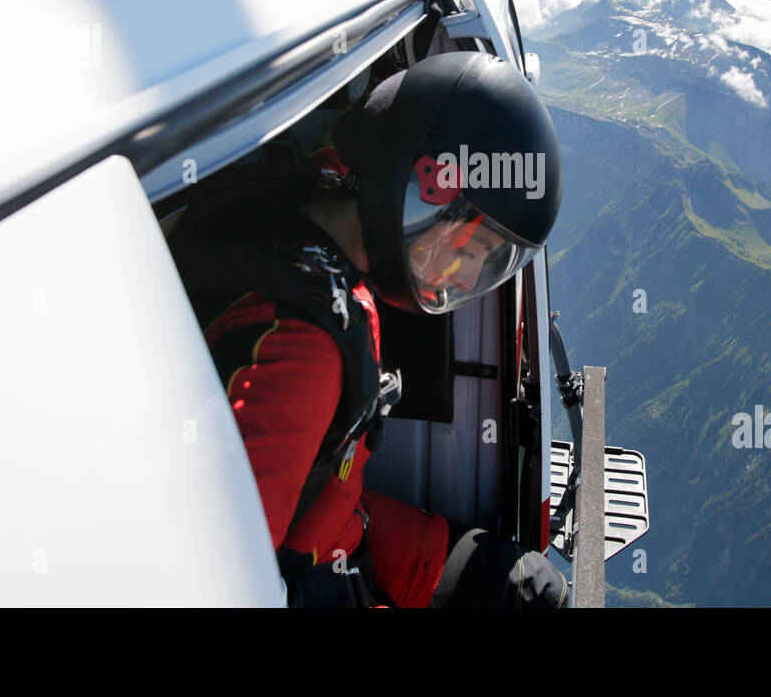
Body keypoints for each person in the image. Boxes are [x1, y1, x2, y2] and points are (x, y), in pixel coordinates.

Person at [169, 51, 569, 607]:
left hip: (344, 525)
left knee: (534, 592)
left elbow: (382, 139)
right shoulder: (304, 356)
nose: (472, 274)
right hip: (310, 574)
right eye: (472, 246)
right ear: (420, 192)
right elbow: (216, 584)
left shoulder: (309, 210)